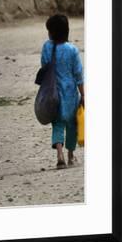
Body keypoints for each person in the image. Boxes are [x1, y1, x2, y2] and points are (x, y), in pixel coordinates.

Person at [40, 14, 84, 169]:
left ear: (51, 32)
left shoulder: (47, 47)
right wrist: (84, 94)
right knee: (72, 125)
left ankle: (60, 155)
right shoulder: (72, 50)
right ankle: (71, 156)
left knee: (57, 123)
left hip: (53, 94)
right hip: (70, 94)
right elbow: (78, 74)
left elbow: (44, 66)